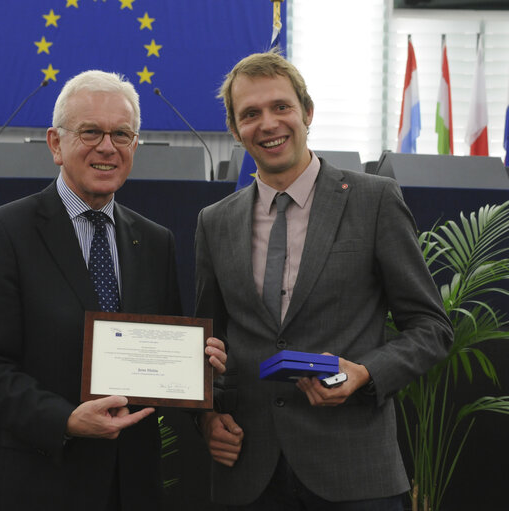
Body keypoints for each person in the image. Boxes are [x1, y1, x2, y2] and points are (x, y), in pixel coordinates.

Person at [194, 50, 453, 510]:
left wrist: (365, 373)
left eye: (281, 107)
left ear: (307, 112)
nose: (268, 123)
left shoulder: (375, 201)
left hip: (355, 473)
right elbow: (208, 344)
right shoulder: (214, 221)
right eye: (250, 114)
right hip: (248, 475)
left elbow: (432, 328)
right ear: (235, 131)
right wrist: (208, 417)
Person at [0, 70, 226, 511]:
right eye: (91, 132)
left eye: (122, 134)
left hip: (131, 486)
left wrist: (198, 368)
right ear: (55, 144)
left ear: (136, 146)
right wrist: (63, 419)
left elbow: (159, 353)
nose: (108, 146)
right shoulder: (4, 232)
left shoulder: (155, 240)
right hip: (38, 484)